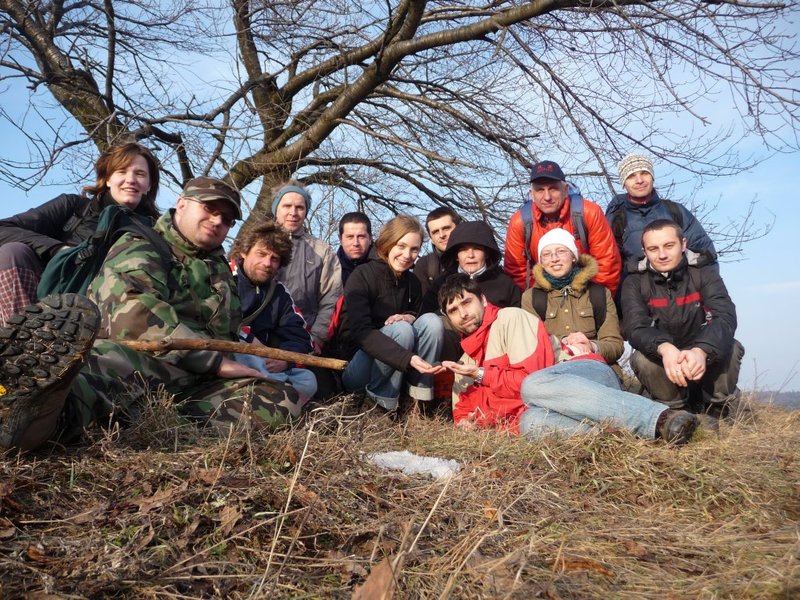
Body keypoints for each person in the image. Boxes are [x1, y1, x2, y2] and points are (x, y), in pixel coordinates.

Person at [0, 177, 302, 451]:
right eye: (209, 209)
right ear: (181, 204)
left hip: (195, 381)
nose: (217, 221)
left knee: (280, 399)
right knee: (101, 369)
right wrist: (213, 360)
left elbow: (226, 329)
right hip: (144, 359)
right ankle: (41, 416)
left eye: (226, 219)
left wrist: (238, 357)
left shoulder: (219, 268)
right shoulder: (142, 243)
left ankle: (149, 422)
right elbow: (132, 312)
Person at [438, 274, 698, 443]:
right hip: (558, 407)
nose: (463, 313)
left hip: (584, 374)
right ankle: (634, 437)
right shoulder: (464, 364)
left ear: (483, 300)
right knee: (529, 424)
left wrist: (482, 375)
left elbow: (529, 382)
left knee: (532, 386)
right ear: (448, 319)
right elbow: (463, 415)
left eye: (466, 302)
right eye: (454, 310)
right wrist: (468, 425)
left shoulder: (509, 319)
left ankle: (660, 418)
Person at [0, 141, 160, 326]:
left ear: (149, 185)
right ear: (107, 179)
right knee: (13, 252)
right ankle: (21, 334)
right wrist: (58, 249)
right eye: (121, 171)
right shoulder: (74, 207)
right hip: (46, 302)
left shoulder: (157, 233)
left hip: (109, 313)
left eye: (140, 174)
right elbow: (4, 228)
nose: (131, 179)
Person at [622, 219, 743, 417]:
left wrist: (701, 350)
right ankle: (675, 410)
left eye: (669, 245)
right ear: (644, 251)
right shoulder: (634, 281)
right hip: (665, 360)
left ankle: (716, 407)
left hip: (701, 357)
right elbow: (635, 327)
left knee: (732, 346)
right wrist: (665, 349)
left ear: (683, 244)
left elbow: (724, 316)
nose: (662, 254)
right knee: (641, 359)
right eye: (653, 249)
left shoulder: (703, 272)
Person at [331, 215, 444, 411]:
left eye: (414, 249)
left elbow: (419, 319)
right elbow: (361, 333)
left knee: (432, 322)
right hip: (357, 367)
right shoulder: (362, 275)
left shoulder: (413, 283)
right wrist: (407, 357)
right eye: (401, 246)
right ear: (387, 243)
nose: (407, 255)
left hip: (402, 364)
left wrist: (411, 316)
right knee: (401, 330)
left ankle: (419, 401)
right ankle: (380, 405)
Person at [229, 219, 318, 403]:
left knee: (308, 380)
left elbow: (301, 337)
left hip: (266, 363)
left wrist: (285, 359)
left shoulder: (280, 294)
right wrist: (249, 339)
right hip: (228, 354)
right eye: (261, 254)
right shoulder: (225, 276)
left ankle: (268, 390)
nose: (267, 263)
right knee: (245, 356)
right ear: (244, 252)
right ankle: (273, 393)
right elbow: (216, 318)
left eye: (274, 258)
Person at [504, 160, 621, 295]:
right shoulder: (520, 222)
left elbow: (607, 263)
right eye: (540, 190)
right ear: (531, 194)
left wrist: (597, 300)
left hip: (586, 292)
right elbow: (517, 272)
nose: (547, 197)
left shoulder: (589, 212)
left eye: (553, 189)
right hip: (544, 295)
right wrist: (534, 301)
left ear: (565, 190)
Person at [520, 228, 623, 371]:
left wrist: (591, 346)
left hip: (597, 367)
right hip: (553, 370)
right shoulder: (531, 298)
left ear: (574, 256)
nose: (554, 258)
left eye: (561, 251)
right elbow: (530, 345)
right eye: (547, 254)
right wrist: (563, 344)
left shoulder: (599, 293)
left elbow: (615, 344)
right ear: (541, 262)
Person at [605, 154, 716, 269]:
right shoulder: (616, 217)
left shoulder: (675, 211)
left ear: (652, 176)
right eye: (631, 176)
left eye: (644, 173)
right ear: (624, 183)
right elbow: (609, 263)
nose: (639, 180)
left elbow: (706, 256)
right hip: (635, 280)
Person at [272, 181, 342, 352]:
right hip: (258, 335)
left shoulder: (323, 251)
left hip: (303, 338)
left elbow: (331, 298)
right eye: (287, 206)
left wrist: (317, 337)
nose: (293, 213)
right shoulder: (255, 243)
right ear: (276, 209)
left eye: (299, 207)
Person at [421, 220, 521, 314]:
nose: (471, 255)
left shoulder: (505, 284)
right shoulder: (441, 284)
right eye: (464, 250)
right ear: (456, 256)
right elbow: (426, 319)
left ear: (487, 253)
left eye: (477, 249)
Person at [413, 207, 462, 295]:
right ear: (431, 238)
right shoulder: (424, 266)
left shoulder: (476, 257)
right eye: (435, 232)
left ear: (459, 228)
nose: (442, 235)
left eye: (446, 228)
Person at [337, 211, 373, 286]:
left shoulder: (384, 268)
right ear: (340, 239)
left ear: (370, 238)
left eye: (361, 237)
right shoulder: (329, 269)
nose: (356, 243)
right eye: (350, 237)